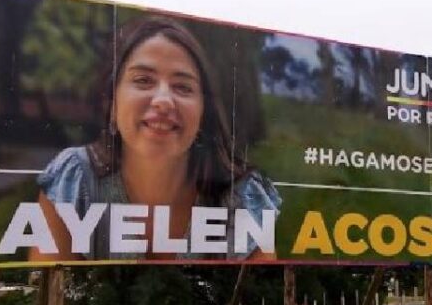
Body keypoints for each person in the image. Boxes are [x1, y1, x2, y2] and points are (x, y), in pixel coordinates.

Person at [30, 16, 280, 262]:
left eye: (182, 87)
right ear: (113, 103)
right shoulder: (73, 180)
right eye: (143, 80)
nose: (163, 100)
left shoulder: (242, 196)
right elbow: (47, 293)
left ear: (204, 113)